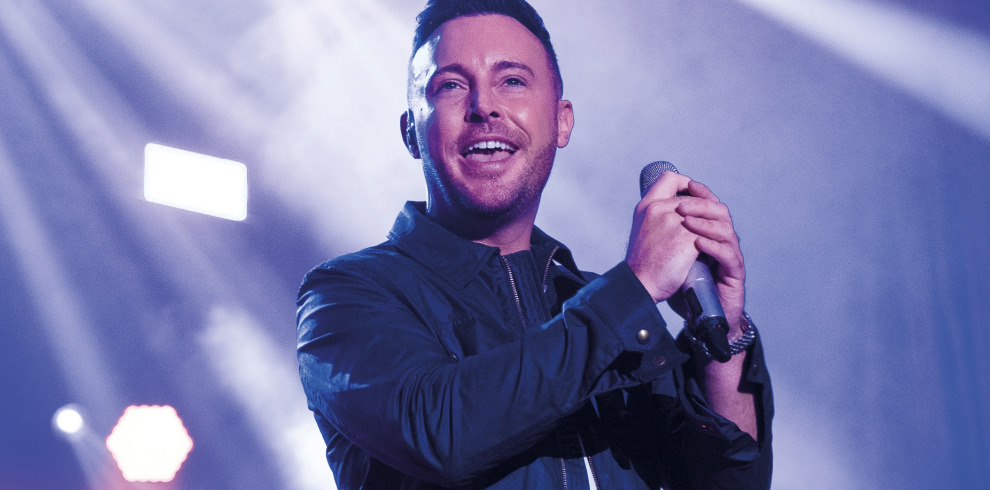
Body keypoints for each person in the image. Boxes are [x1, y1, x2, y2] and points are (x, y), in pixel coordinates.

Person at [296, 0, 773, 488]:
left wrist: (726, 336)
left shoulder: (602, 307)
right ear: (411, 133)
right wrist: (634, 289)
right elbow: (439, 431)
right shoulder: (345, 295)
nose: (485, 106)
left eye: (513, 81)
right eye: (451, 86)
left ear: (562, 121)